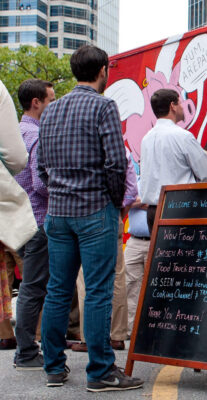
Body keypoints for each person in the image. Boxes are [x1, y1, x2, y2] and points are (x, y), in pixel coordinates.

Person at [36, 45, 143, 391]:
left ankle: (53, 366)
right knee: (97, 291)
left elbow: (41, 167)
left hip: (58, 212)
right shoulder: (104, 106)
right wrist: (114, 202)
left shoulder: (50, 112)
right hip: (95, 210)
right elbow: (116, 162)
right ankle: (99, 372)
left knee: (57, 289)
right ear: (103, 71)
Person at [71, 154, 137, 353]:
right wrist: (119, 212)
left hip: (82, 214)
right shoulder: (122, 152)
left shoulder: (79, 145)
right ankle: (117, 336)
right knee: (117, 276)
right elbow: (132, 191)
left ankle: (87, 337)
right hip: (111, 214)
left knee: (85, 278)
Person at [12, 79, 55, 369]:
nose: (54, 105)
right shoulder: (37, 136)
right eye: (50, 99)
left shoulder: (14, 134)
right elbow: (42, 184)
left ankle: (27, 348)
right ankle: (26, 351)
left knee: (31, 284)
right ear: (36, 102)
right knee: (35, 286)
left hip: (19, 219)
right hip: (39, 219)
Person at [139, 88, 207, 231]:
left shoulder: (146, 139)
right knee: (184, 252)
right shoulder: (182, 136)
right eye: (180, 103)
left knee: (159, 253)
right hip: (180, 209)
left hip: (153, 211)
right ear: (172, 106)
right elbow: (206, 174)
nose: (182, 107)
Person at [0, 78, 34, 351]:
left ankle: (5, 334)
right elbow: (15, 157)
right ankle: (27, 337)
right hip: (10, 214)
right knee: (31, 275)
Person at [123, 193, 150, 335]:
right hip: (134, 241)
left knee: (155, 286)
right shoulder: (137, 181)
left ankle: (151, 328)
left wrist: (138, 202)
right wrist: (146, 203)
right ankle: (130, 329)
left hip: (156, 238)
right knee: (129, 285)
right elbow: (125, 202)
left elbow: (162, 204)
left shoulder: (161, 179)